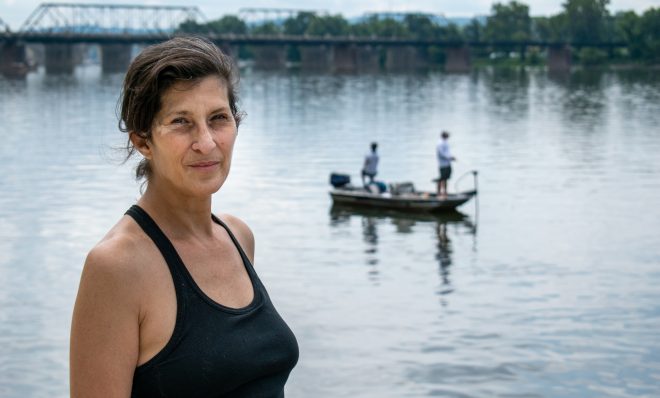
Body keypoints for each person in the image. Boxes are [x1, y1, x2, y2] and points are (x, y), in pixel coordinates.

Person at [70, 37, 299, 397]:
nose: (206, 142)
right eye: (181, 122)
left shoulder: (238, 236)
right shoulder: (116, 267)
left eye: (218, 118)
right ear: (143, 141)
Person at [436, 131, 456, 198]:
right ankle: (439, 193)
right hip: (443, 164)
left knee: (446, 179)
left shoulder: (446, 142)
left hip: (447, 164)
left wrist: (451, 157)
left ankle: (445, 192)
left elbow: (447, 152)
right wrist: (450, 157)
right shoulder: (440, 143)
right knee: (442, 178)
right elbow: (441, 154)